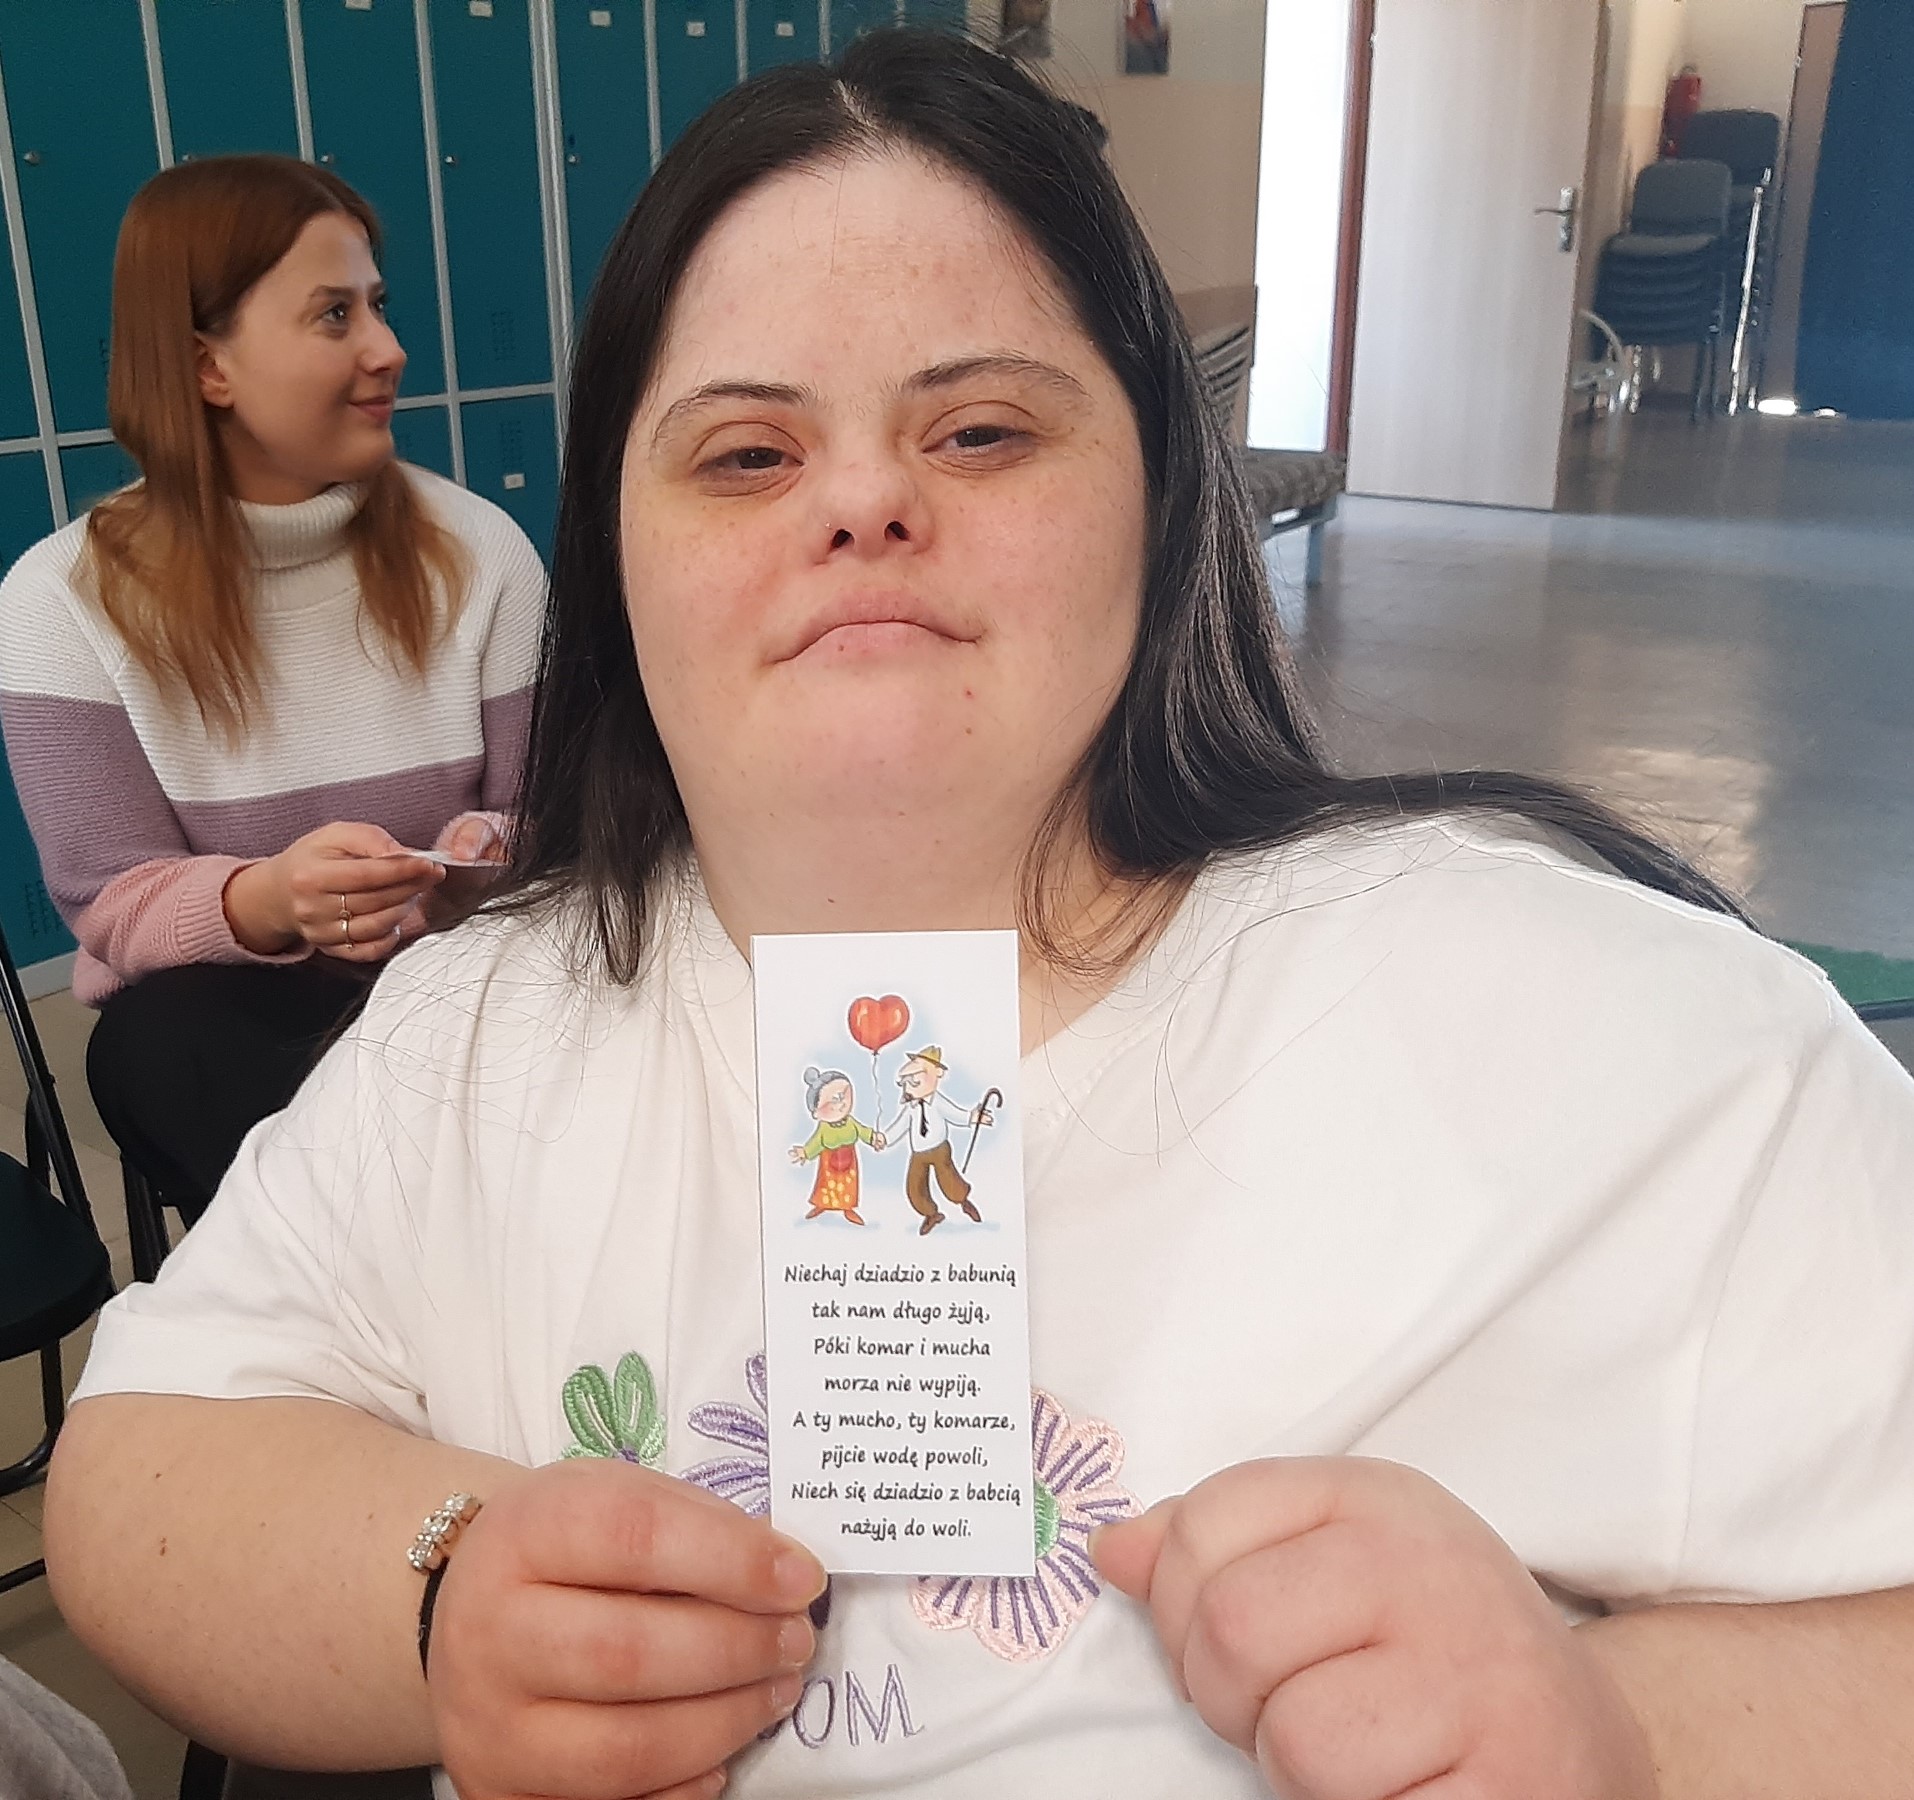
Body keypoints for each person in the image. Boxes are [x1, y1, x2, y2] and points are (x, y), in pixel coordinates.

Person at [40, 31, 1914, 1800]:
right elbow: (138, 1469)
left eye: (982, 432)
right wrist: (438, 1597)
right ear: (614, 557)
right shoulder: (483, 1035)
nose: (861, 500)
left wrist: (1628, 1731)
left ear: (1161, 498)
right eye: (746, 454)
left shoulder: (1612, 1041)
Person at [0, 156, 544, 1208]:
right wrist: (272, 901)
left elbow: (552, 817)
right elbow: (112, 903)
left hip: (466, 980)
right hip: (252, 1026)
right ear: (208, 366)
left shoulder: (483, 552)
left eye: (379, 306)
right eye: (335, 315)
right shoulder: (58, 602)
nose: (389, 349)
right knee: (164, 1041)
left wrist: (482, 859)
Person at [879, 1045, 989, 1233]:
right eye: (907, 1083)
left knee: (948, 1179)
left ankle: (963, 1200)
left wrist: (973, 1117)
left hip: (939, 1148)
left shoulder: (938, 1102)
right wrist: (885, 1139)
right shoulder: (911, 1107)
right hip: (918, 1152)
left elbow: (956, 1114)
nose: (910, 1088)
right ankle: (931, 1214)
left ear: (937, 1074)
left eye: (915, 1082)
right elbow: (900, 1126)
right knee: (915, 1187)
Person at [789, 1065, 882, 1223]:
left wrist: (873, 1138)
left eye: (844, 1096)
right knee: (825, 1185)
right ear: (816, 1112)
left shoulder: (850, 1122)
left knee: (848, 1186)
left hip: (849, 1161)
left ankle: (848, 1208)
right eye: (834, 1100)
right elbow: (816, 1142)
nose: (841, 1104)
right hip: (828, 1162)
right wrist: (805, 1152)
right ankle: (822, 1205)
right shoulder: (824, 1128)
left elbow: (862, 1131)